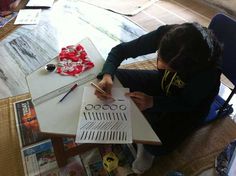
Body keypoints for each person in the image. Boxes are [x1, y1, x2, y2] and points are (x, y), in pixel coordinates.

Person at [95, 22, 222, 174]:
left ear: (185, 68)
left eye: (168, 65)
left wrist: (153, 102)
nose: (159, 64)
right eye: (160, 56)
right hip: (164, 83)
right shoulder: (170, 36)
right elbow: (120, 50)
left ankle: (146, 146)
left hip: (189, 106)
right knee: (117, 78)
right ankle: (149, 117)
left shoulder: (207, 72)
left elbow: (187, 103)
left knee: (155, 145)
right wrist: (107, 75)